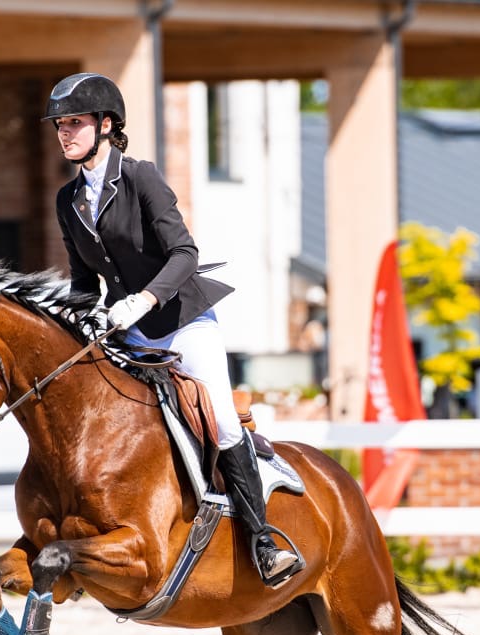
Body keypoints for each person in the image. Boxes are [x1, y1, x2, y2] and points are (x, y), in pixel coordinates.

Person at [44, 72, 303, 588]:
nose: (65, 133)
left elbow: (186, 254)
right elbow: (80, 282)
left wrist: (142, 299)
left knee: (224, 422)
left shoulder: (141, 178)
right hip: (126, 332)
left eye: (75, 122)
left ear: (106, 124)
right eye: (60, 125)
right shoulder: (67, 200)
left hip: (179, 322)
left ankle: (262, 538)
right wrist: (78, 317)